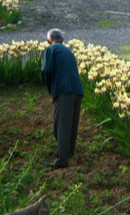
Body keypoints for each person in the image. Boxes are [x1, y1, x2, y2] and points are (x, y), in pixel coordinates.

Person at [41, 28, 84, 169]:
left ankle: (62, 160)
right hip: (77, 89)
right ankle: (69, 152)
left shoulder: (51, 49)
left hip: (64, 90)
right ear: (63, 40)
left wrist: (50, 88)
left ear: (49, 41)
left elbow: (46, 70)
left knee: (62, 125)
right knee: (72, 123)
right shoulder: (68, 51)